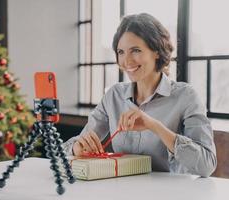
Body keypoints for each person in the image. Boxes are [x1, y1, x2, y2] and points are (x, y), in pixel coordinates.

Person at [63, 13, 216, 177]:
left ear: (156, 51)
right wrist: (77, 148)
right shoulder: (113, 96)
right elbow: (70, 147)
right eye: (121, 52)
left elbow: (207, 165)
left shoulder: (186, 96)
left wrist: (154, 125)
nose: (127, 61)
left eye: (135, 50)